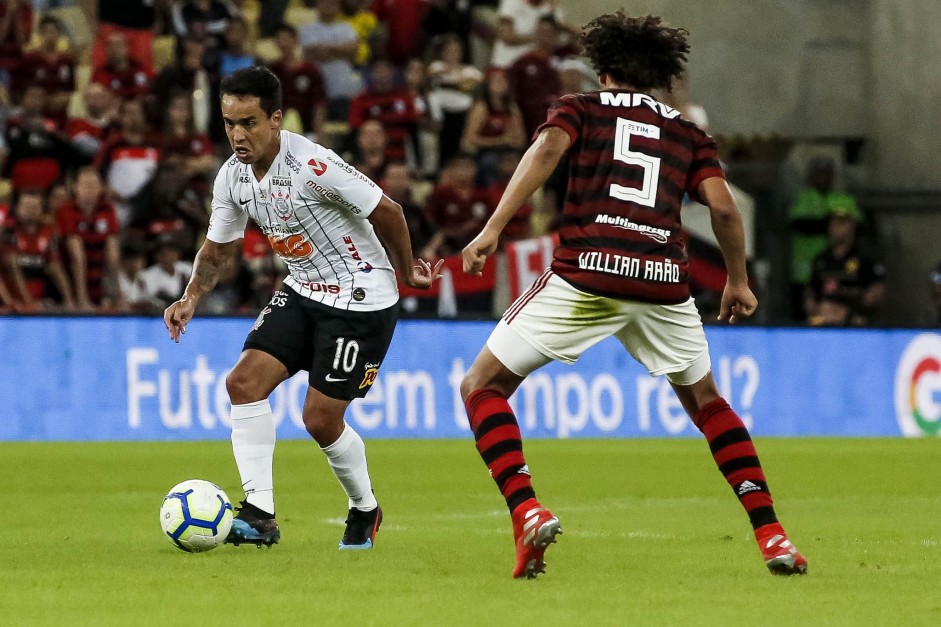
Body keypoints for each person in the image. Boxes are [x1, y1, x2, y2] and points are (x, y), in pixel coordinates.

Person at [459, 12, 808, 579]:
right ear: (657, 73)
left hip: (588, 271)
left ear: (602, 65)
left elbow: (546, 150)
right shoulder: (688, 132)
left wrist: (495, 226)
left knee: (482, 386)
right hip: (662, 282)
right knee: (709, 405)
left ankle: (526, 509)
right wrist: (738, 281)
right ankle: (773, 537)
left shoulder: (580, 108)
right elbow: (721, 207)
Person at [163, 66, 441, 550]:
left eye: (248, 122)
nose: (237, 134)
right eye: (229, 123)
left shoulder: (315, 165)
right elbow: (217, 249)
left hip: (361, 296)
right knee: (242, 384)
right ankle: (260, 514)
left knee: (319, 419)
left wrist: (406, 269)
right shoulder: (232, 177)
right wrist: (190, 297)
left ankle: (364, 508)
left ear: (275, 119)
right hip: (305, 288)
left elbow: (388, 211)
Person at [787, 157, 861, 321]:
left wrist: (823, 223)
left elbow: (859, 224)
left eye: (827, 174)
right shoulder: (804, 197)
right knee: (804, 313)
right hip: (804, 270)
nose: (823, 177)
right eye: (819, 173)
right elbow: (799, 224)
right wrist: (827, 223)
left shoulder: (843, 198)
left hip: (837, 268)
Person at [806, 206, 885, 327]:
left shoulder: (865, 258)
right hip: (824, 319)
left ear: (852, 226)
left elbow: (877, 291)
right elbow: (811, 292)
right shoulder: (821, 259)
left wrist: (850, 313)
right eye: (832, 223)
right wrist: (817, 308)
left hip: (856, 321)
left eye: (841, 223)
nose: (835, 227)